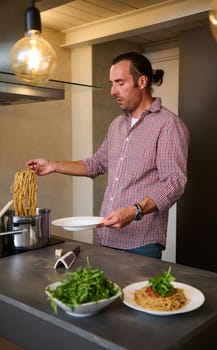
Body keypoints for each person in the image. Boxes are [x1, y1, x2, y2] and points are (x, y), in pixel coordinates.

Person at [27, 52, 189, 259]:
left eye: (120, 83)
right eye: (112, 83)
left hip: (141, 243)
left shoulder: (168, 125)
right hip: (106, 237)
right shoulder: (116, 125)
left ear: (142, 81)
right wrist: (52, 165)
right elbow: (96, 164)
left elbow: (174, 183)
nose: (113, 91)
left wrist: (135, 211)